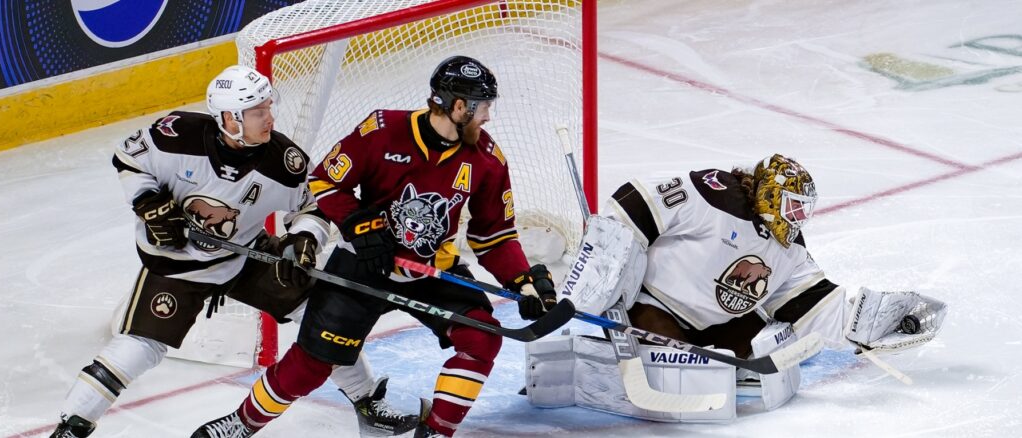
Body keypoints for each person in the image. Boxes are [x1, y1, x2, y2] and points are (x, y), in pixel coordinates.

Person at [193, 55, 559, 438]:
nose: (488, 116)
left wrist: (524, 281)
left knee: (481, 338)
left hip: (431, 270)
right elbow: (325, 181)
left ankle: (435, 433)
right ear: (457, 106)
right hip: (363, 263)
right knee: (313, 363)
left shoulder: (487, 160)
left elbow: (494, 236)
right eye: (483, 106)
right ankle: (241, 423)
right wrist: (361, 226)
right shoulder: (384, 129)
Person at [51, 65, 416, 438]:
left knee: (326, 319)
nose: (269, 118)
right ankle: (72, 426)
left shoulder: (284, 161)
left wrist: (304, 239)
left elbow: (316, 206)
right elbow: (129, 159)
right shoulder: (179, 135)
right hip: (176, 265)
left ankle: (368, 402)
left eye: (268, 108)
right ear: (229, 118)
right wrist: (148, 201)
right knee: (139, 347)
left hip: (246, 255)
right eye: (258, 112)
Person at [525, 154, 947, 420]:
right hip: (651, 304)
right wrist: (597, 277)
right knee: (672, 368)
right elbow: (638, 201)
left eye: (804, 211)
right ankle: (587, 371)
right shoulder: (715, 194)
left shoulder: (790, 247)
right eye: (792, 207)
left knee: (752, 353)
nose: (798, 218)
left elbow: (812, 303)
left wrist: (869, 322)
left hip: (715, 321)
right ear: (769, 195)